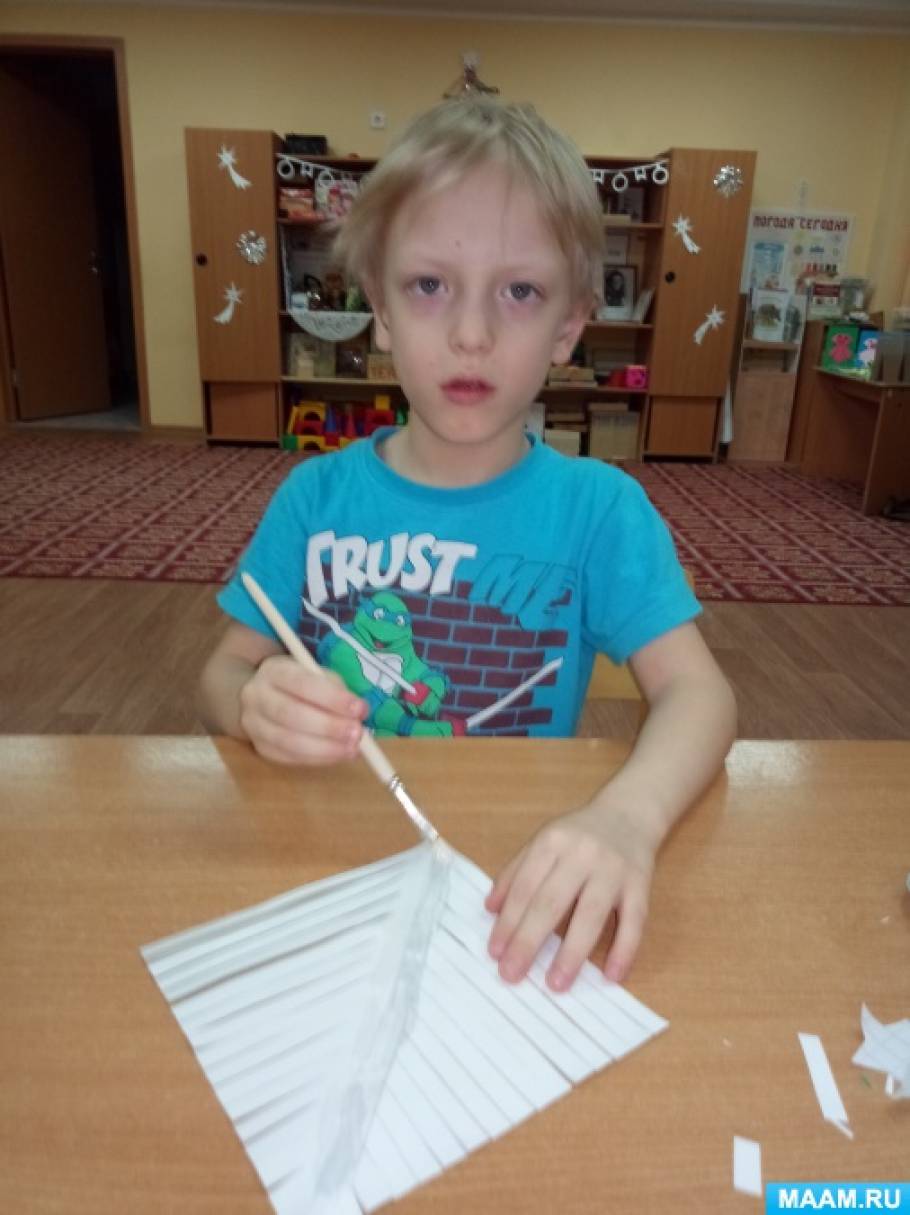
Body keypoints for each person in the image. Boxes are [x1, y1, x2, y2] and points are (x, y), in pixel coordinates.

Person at [198, 96, 737, 994]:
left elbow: (701, 694)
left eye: (519, 292)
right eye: (428, 285)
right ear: (378, 306)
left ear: (569, 326)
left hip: (505, 888)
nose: (471, 333)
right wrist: (253, 705)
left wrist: (628, 819)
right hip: (322, 868)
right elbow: (220, 673)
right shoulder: (313, 499)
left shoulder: (600, 510)